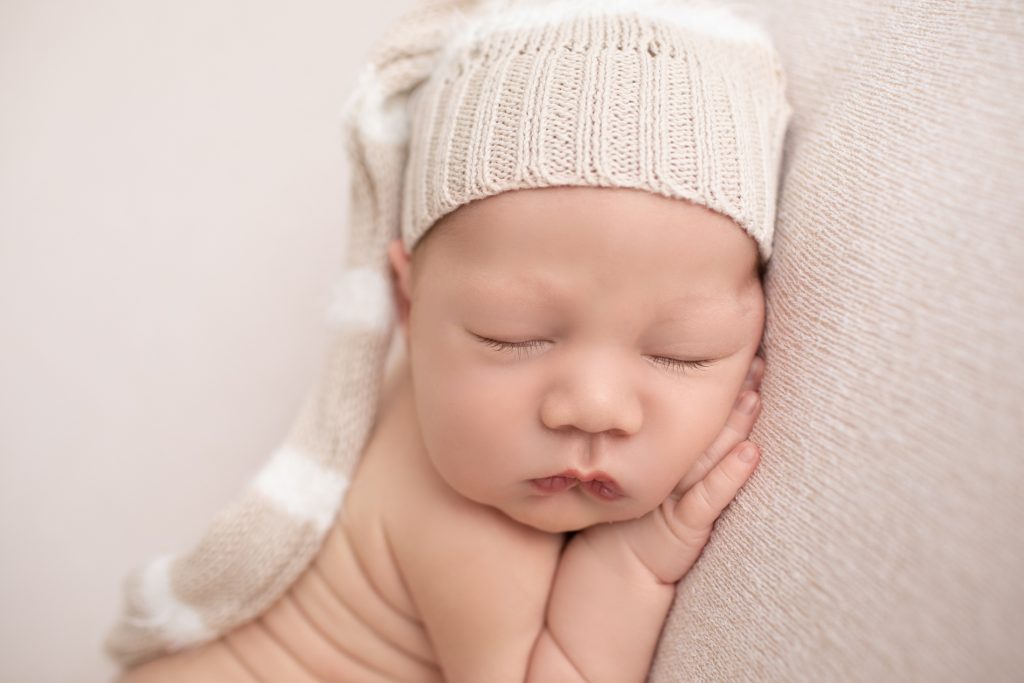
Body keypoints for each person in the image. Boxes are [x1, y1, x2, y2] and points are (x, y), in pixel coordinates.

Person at [107, 0, 792, 680]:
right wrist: (637, 557)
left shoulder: (463, 417)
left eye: (682, 350)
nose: (593, 405)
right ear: (409, 301)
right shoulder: (471, 525)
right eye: (513, 337)